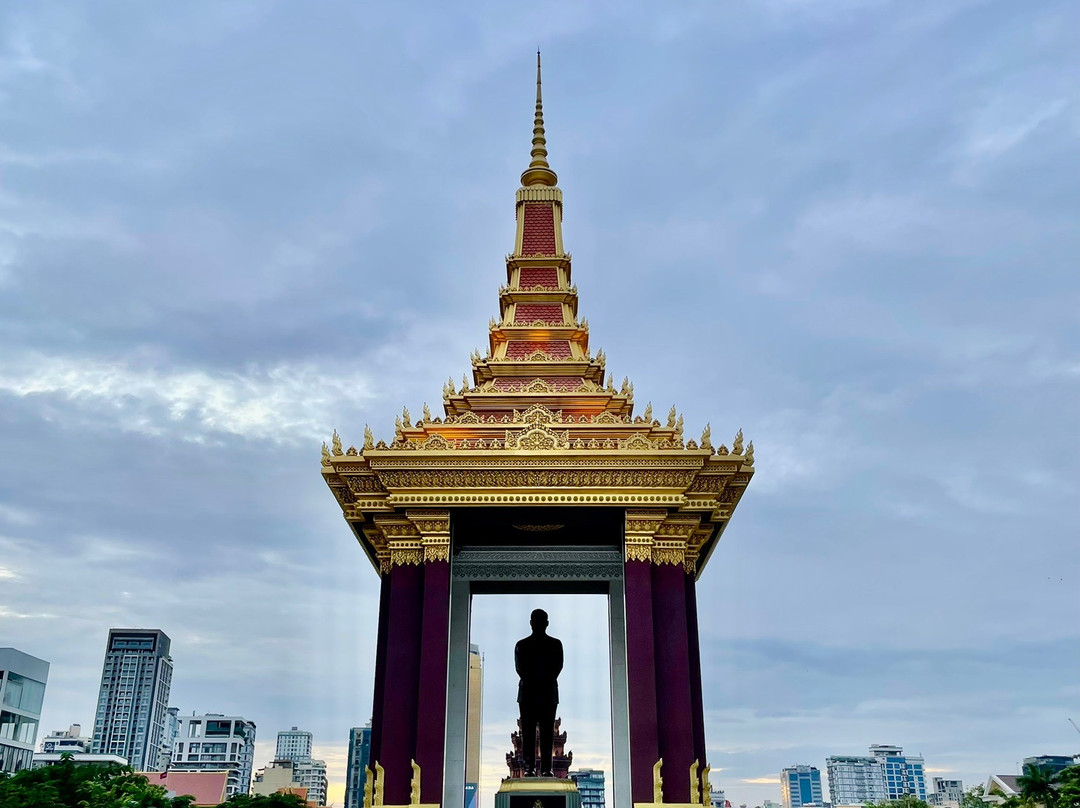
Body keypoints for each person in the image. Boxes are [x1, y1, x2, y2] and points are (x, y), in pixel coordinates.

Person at [514, 608, 564, 777]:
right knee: (544, 733)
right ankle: (545, 769)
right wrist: (543, 682)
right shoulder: (555, 644)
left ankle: (530, 768)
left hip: (529, 692)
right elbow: (556, 668)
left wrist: (534, 682)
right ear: (547, 623)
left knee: (532, 732)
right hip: (547, 692)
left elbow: (521, 669)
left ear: (531, 623)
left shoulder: (522, 645)